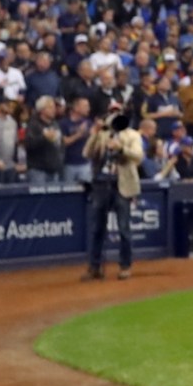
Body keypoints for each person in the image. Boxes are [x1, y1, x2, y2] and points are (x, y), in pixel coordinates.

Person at [84, 110, 144, 279]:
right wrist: (95, 135)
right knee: (97, 228)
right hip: (101, 184)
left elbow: (139, 156)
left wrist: (121, 148)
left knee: (124, 228)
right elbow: (87, 153)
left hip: (122, 185)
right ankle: (94, 267)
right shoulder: (103, 134)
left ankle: (125, 266)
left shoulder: (132, 135)